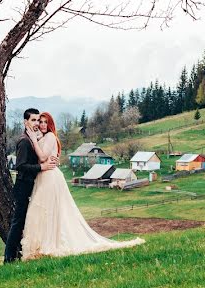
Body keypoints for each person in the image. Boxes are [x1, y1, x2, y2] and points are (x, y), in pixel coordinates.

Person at [20, 111, 144, 259]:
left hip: (50, 177)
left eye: (46, 122)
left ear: (51, 124)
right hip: (43, 176)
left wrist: (34, 140)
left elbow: (42, 156)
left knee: (49, 210)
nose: (42, 125)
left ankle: (50, 243)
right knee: (42, 211)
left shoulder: (50, 136)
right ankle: (41, 245)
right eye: (40, 122)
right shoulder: (43, 137)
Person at [3, 108, 58, 263]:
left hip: (31, 185)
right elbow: (20, 166)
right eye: (33, 120)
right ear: (25, 122)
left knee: (27, 221)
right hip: (23, 187)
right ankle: (8, 258)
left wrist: (53, 158)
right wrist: (41, 167)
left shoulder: (33, 138)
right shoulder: (24, 141)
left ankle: (19, 255)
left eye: (38, 120)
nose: (36, 123)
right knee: (17, 222)